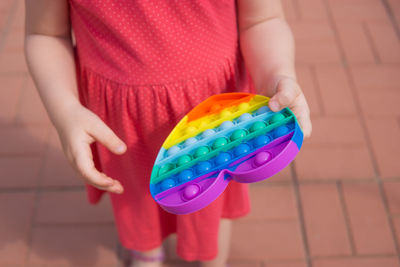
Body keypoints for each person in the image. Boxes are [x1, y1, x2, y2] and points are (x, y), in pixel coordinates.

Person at [24, 0, 312, 266]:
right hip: (123, 123)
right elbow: (46, 33)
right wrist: (65, 110)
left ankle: (210, 257)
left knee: (211, 205)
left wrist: (275, 73)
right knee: (135, 202)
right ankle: (146, 252)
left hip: (215, 123)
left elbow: (262, 19)